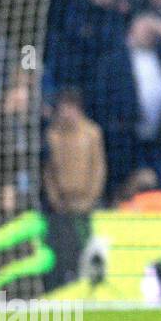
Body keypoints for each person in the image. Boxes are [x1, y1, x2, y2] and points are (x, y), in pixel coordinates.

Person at [43, 88, 105, 290]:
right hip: (61, 205)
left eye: (71, 108)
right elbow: (48, 172)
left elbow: (98, 168)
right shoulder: (52, 135)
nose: (67, 113)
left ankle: (89, 284)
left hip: (87, 203)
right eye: (64, 108)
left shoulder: (92, 133)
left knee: (86, 246)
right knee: (62, 249)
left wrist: (91, 198)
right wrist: (55, 199)